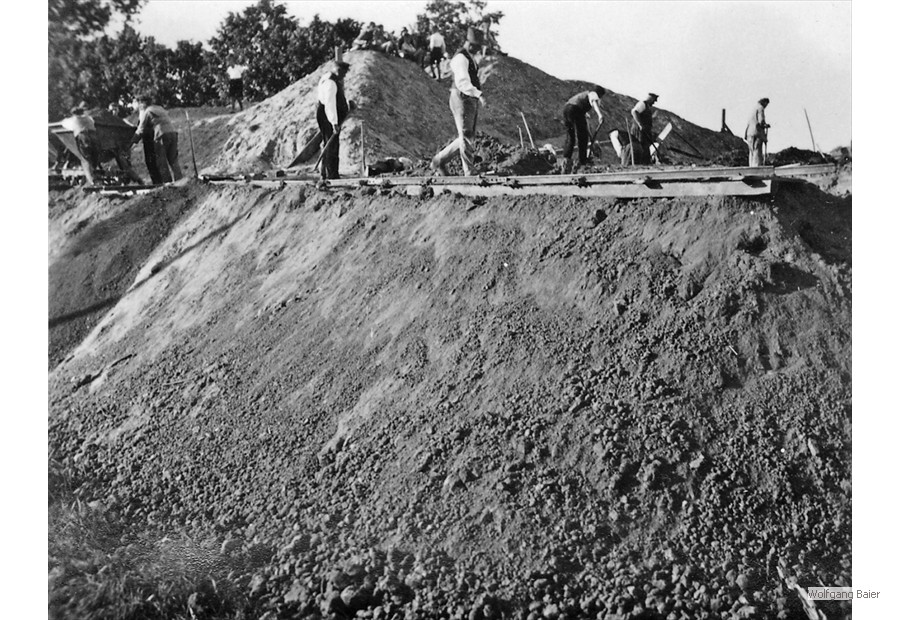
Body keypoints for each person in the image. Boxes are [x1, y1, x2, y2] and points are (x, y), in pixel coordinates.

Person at [430, 27, 485, 176]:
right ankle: (469, 172)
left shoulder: (470, 57)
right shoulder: (461, 58)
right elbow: (462, 81)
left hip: (469, 97)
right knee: (466, 134)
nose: (479, 50)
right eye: (478, 47)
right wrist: (478, 94)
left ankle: (438, 161)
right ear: (471, 44)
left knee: (467, 136)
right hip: (462, 97)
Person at [130, 96, 182, 183]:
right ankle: (180, 182)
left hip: (161, 135)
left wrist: (131, 142)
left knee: (161, 162)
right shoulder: (160, 108)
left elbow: (141, 130)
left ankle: (168, 184)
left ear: (143, 104)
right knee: (173, 160)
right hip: (173, 133)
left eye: (139, 104)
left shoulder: (147, 112)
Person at [316, 59, 351, 180]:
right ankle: (331, 175)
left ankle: (327, 173)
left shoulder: (329, 78)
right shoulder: (330, 83)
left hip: (328, 114)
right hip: (328, 116)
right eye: (344, 74)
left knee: (330, 143)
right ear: (339, 71)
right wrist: (334, 123)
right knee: (331, 144)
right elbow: (330, 104)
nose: (344, 76)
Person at [561, 85, 606, 173]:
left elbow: (584, 123)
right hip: (573, 109)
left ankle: (566, 159)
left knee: (571, 137)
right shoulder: (592, 94)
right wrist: (599, 115)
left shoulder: (582, 100)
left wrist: (589, 133)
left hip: (566, 109)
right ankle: (582, 161)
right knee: (582, 138)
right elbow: (594, 102)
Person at [61, 103, 102, 185]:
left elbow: (64, 124)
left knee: (85, 159)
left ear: (73, 114)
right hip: (94, 137)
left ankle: (92, 181)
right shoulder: (88, 118)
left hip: (83, 138)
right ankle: (94, 173)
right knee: (94, 156)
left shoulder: (73, 120)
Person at [630, 93, 659, 165]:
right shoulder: (642, 104)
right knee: (640, 146)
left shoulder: (647, 107)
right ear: (651, 98)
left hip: (644, 131)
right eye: (654, 101)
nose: (654, 103)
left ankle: (645, 163)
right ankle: (640, 164)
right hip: (639, 131)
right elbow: (634, 112)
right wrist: (640, 124)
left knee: (645, 147)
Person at [745, 97, 770, 166]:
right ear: (764, 102)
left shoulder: (753, 108)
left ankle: (751, 168)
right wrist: (766, 125)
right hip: (757, 133)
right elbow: (761, 121)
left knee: (752, 152)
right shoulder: (760, 108)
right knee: (757, 152)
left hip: (749, 133)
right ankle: (756, 170)